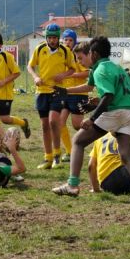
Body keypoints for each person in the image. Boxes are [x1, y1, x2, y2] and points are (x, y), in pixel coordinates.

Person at [52, 36, 130, 204]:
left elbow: (108, 96)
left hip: (115, 112)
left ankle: (72, 185)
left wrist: (92, 118)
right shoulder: (114, 68)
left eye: (88, 53)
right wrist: (66, 91)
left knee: (78, 141)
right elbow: (89, 87)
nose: (86, 56)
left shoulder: (100, 70)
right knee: (126, 155)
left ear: (94, 54)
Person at [27, 23, 75, 169]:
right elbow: (30, 66)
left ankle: (57, 155)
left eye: (55, 38)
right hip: (42, 92)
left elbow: (72, 69)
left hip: (57, 90)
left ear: (58, 38)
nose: (52, 40)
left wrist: (63, 75)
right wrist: (35, 77)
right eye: (50, 37)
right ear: (46, 37)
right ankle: (47, 157)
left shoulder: (65, 51)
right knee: (44, 125)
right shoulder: (40, 49)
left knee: (54, 121)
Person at [0, 32, 31, 139]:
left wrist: (4, 81)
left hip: (4, 93)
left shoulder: (7, 57)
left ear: (1, 45)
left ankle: (23, 123)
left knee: (4, 119)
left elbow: (17, 72)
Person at [58, 29, 90, 162]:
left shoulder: (78, 55)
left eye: (70, 40)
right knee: (59, 122)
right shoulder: (60, 55)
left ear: (74, 41)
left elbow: (87, 73)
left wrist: (71, 74)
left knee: (77, 126)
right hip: (65, 93)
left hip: (79, 94)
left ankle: (99, 132)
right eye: (65, 39)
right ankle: (70, 151)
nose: (67, 42)